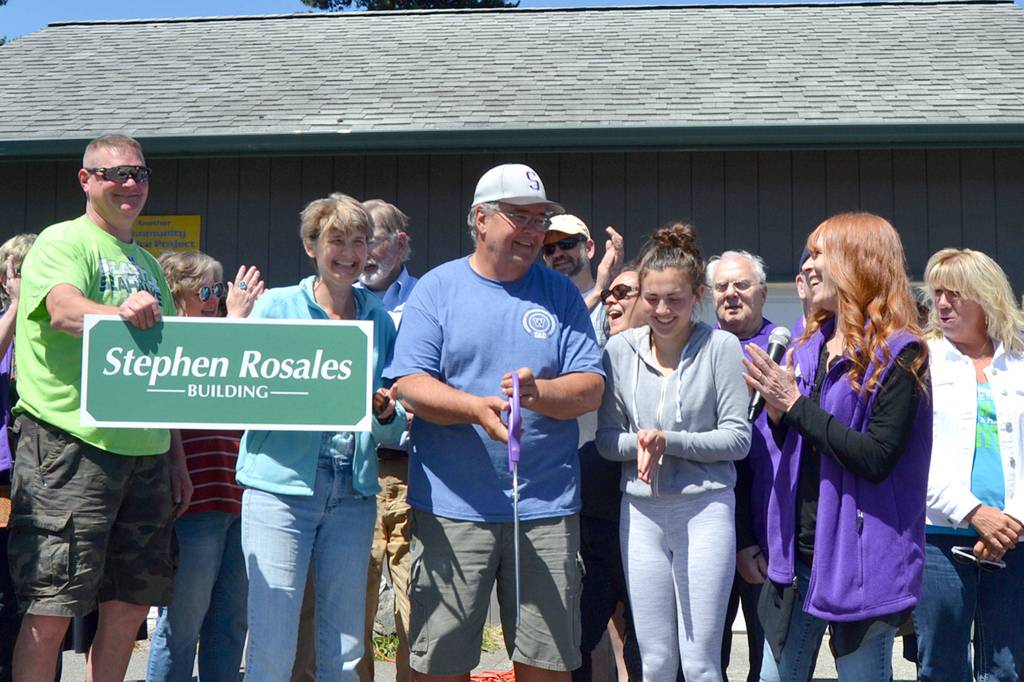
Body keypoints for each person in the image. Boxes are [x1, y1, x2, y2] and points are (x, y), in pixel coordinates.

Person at [385, 163, 604, 682]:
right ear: (480, 220)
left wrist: (539, 392)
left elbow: (591, 387)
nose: (532, 231)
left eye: (539, 220)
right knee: (441, 663)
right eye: (519, 217)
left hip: (546, 506)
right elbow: (408, 383)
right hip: (452, 508)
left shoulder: (560, 294)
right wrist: (474, 409)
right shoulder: (438, 289)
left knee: (546, 661)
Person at [7, 134, 189, 682]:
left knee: (132, 606)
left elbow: (167, 369)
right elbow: (62, 310)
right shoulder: (64, 241)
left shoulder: (148, 264)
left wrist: (175, 457)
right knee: (52, 606)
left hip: (147, 455)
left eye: (140, 173)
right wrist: (118, 310)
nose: (131, 184)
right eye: (116, 174)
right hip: (69, 448)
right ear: (86, 181)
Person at [742, 212, 931, 682]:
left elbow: (875, 457)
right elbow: (796, 440)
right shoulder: (809, 347)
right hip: (798, 554)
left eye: (818, 253)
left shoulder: (901, 354)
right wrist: (776, 412)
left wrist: (794, 406)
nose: (806, 265)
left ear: (856, 262)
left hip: (862, 557)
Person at [236, 193, 406, 682]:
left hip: (352, 491)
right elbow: (243, 393)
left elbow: (392, 420)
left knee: (346, 648)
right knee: (272, 643)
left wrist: (384, 413)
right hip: (280, 489)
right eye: (336, 240)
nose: (349, 252)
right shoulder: (275, 307)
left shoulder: (380, 319)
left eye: (359, 241)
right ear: (311, 245)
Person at [597, 223, 751, 681]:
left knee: (702, 661)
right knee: (656, 660)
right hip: (641, 514)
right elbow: (608, 440)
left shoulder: (720, 346)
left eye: (675, 300)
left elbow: (737, 439)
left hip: (705, 509)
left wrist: (668, 441)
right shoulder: (619, 349)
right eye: (652, 298)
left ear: (697, 296)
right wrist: (643, 442)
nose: (662, 310)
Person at [145, 253, 264, 682]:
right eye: (205, 291)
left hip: (240, 494)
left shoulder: (233, 332)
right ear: (176, 292)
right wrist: (234, 322)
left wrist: (240, 323)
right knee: (182, 624)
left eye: (219, 290)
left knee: (231, 624)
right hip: (195, 496)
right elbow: (180, 396)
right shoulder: (166, 337)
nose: (215, 299)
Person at [913, 247, 1024, 681]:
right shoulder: (920, 359)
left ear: (987, 297)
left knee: (1007, 668)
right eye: (938, 292)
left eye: (955, 294)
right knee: (940, 666)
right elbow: (911, 453)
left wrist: (1012, 518)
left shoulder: (1018, 361)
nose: (942, 303)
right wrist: (973, 512)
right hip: (941, 536)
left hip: (1013, 539)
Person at [706, 250, 776, 682]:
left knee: (766, 660)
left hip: (769, 530)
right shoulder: (697, 347)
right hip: (707, 522)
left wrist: (750, 537)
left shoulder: (789, 346)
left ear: (764, 294)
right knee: (706, 656)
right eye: (721, 287)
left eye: (742, 285)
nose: (731, 294)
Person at [356, 199, 418, 682]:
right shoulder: (337, 299)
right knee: (347, 595)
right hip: (353, 468)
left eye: (370, 239)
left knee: (414, 596)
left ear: (400, 244)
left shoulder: (426, 300)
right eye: (353, 241)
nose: (363, 252)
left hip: (414, 468)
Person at [574, 268, 643, 682]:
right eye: (608, 295)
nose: (612, 302)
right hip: (591, 522)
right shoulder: (590, 356)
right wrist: (597, 290)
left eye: (623, 292)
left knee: (647, 641)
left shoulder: (664, 358)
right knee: (577, 637)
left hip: (643, 518)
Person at [0, 234, 34, 682]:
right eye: (18, 270)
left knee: (29, 589)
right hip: (2, 479)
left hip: (42, 472)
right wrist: (16, 307)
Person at [543, 214, 624, 347]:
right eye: (549, 249)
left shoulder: (609, 301)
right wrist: (598, 292)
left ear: (589, 248)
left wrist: (616, 286)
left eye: (566, 244)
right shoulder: (538, 305)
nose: (557, 254)